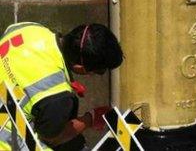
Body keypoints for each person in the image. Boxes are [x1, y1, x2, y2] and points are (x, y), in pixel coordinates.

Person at [0, 22, 123, 150]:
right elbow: (52, 139)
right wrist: (90, 119)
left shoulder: (29, 28)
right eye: (99, 71)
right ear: (80, 67)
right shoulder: (57, 95)